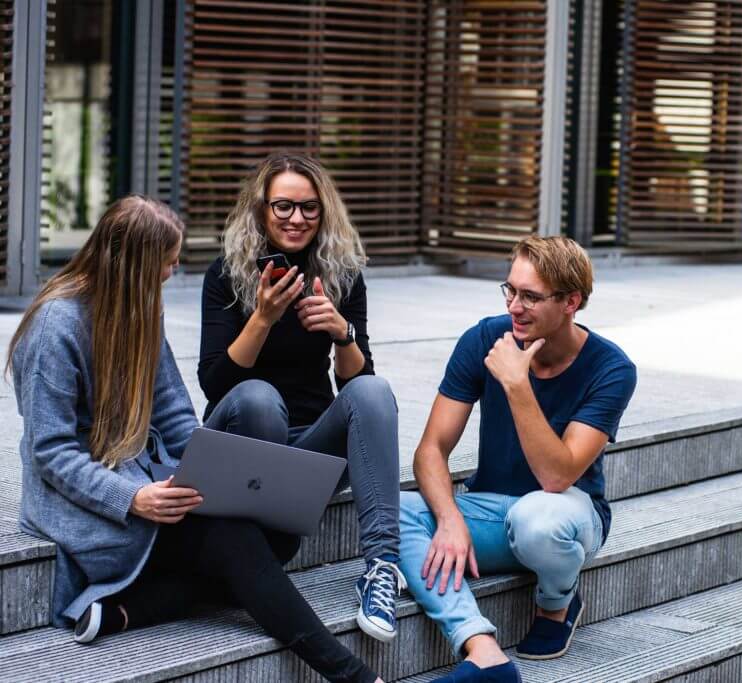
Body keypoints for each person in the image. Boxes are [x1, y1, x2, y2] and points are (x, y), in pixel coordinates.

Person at [9, 196, 383, 683]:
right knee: (238, 543)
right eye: (167, 262)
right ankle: (354, 676)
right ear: (134, 262)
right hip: (87, 500)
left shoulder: (141, 308)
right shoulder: (55, 326)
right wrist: (133, 498)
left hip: (148, 480)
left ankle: (130, 609)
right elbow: (51, 452)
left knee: (277, 537)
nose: (172, 271)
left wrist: (221, 470)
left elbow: (175, 416)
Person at [398, 236, 637, 683]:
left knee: (538, 519)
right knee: (395, 511)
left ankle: (557, 603)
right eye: (510, 290)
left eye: (530, 296)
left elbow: (557, 474)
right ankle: (481, 650)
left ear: (571, 302)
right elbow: (431, 449)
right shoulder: (484, 338)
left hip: (566, 512)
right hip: (490, 508)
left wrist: (517, 384)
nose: (514, 306)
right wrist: (449, 519)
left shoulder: (612, 369)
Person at [198, 151, 403, 643]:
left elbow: (358, 386)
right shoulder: (226, 274)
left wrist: (342, 333)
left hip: (309, 452)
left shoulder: (341, 273)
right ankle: (259, 554)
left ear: (324, 211)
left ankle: (381, 569)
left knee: (374, 391)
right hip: (243, 441)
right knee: (259, 399)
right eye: (283, 206)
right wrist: (263, 318)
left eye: (309, 208)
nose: (296, 219)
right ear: (262, 209)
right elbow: (215, 384)